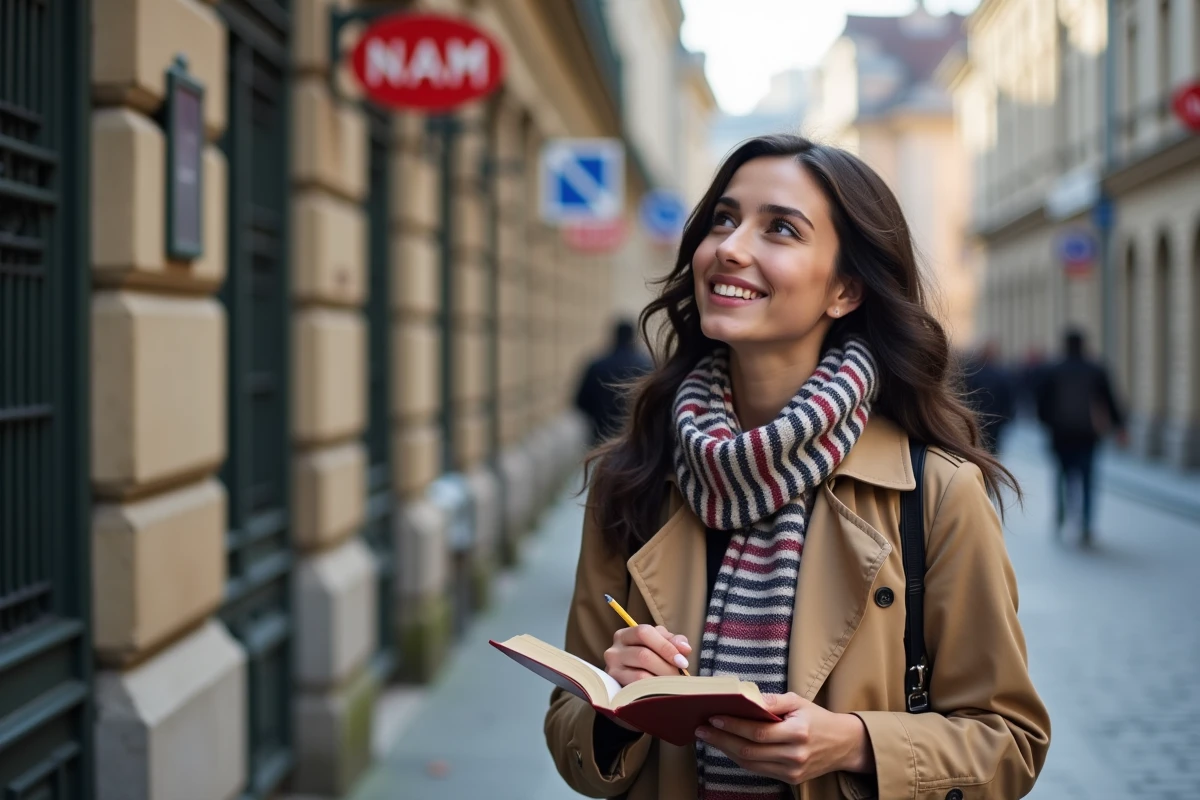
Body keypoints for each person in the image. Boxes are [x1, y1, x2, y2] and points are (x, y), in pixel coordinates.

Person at [545, 135, 1049, 799]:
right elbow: (570, 729)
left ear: (844, 289)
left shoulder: (937, 492)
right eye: (723, 219)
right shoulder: (635, 475)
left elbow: (1010, 741)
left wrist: (856, 743)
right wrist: (617, 709)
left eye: (779, 228)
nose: (730, 246)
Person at [1035, 328, 1126, 545]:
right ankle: (1085, 523)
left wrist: (1049, 425)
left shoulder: (1053, 370)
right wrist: (1120, 427)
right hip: (1087, 434)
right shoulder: (1095, 369)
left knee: (1061, 475)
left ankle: (1062, 514)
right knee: (1087, 478)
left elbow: (1041, 404)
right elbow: (1110, 400)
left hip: (1060, 434)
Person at [574, 319, 654, 445]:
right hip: (636, 440)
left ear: (614, 337)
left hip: (601, 437)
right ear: (633, 337)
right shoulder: (647, 366)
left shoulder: (597, 365)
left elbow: (580, 402)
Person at [961, 342, 1015, 455]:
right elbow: (1008, 399)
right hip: (995, 419)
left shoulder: (972, 373)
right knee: (991, 449)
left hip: (975, 417)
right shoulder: (1001, 375)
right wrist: (1007, 417)